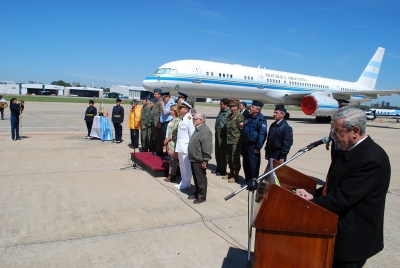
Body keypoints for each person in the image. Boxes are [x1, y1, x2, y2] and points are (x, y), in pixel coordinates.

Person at [296, 106, 391, 268]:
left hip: (352, 241)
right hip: (336, 232)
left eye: (337, 131)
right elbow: (333, 187)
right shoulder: (349, 150)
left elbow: (342, 198)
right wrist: (313, 194)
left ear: (355, 130)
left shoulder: (371, 159)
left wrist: (305, 205)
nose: (333, 136)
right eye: (332, 130)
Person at [188, 112, 213, 204]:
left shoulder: (205, 131)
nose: (193, 121)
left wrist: (205, 160)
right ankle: (197, 192)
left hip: (199, 159)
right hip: (194, 158)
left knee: (201, 178)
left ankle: (202, 196)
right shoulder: (198, 129)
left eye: (194, 119)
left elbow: (207, 147)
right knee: (196, 177)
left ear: (201, 120)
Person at [241, 100, 267, 185]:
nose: (250, 108)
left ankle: (253, 182)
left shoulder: (261, 119)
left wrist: (257, 147)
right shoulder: (249, 117)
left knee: (253, 165)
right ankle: (248, 180)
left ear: (258, 110)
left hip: (253, 146)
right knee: (246, 164)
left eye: (252, 107)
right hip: (245, 144)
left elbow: (262, 135)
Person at [175, 101, 195, 190]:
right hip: (180, 146)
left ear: (186, 109)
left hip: (186, 147)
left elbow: (192, 135)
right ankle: (183, 182)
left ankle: (187, 183)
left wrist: (191, 148)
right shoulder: (182, 118)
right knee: (182, 166)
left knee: (187, 167)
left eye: (180, 108)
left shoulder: (190, 119)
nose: (179, 110)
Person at [222, 101, 244, 183]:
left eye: (232, 106)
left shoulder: (239, 116)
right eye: (230, 106)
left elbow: (242, 129)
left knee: (235, 158)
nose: (230, 107)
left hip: (235, 141)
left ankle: (236, 175)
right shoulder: (230, 115)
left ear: (236, 107)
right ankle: (231, 173)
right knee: (228, 157)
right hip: (229, 140)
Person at [213, 98, 231, 176]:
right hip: (218, 133)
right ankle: (219, 167)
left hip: (223, 134)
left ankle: (223, 169)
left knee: (222, 152)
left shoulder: (228, 112)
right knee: (217, 152)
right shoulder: (221, 111)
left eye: (221, 104)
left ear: (226, 104)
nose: (220, 105)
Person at [163, 104, 180, 182]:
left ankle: (173, 174)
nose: (170, 111)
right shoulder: (172, 120)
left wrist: (167, 140)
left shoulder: (177, 120)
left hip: (172, 142)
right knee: (170, 159)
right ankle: (170, 174)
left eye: (171, 110)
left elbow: (174, 133)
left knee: (173, 160)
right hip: (169, 142)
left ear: (175, 111)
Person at [160, 92, 175, 159]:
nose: (164, 99)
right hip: (164, 122)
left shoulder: (171, 103)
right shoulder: (167, 103)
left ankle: (167, 154)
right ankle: (166, 153)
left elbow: (165, 113)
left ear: (168, 97)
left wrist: (163, 106)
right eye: (164, 98)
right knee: (165, 137)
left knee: (167, 138)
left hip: (167, 122)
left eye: (165, 97)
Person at [152, 88, 163, 156]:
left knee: (159, 138)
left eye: (155, 94)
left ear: (159, 94)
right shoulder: (157, 101)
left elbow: (161, 113)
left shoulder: (160, 102)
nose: (154, 95)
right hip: (155, 123)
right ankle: (157, 150)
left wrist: (159, 123)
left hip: (158, 123)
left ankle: (159, 151)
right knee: (156, 137)